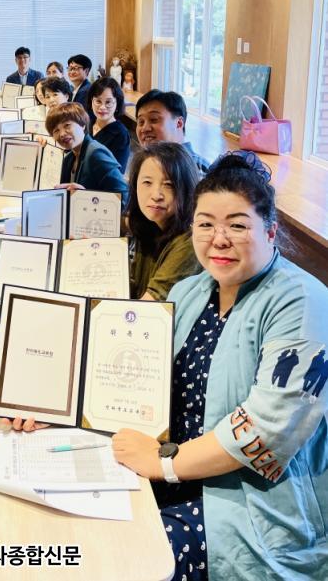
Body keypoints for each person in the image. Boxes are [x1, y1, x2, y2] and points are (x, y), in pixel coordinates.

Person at [113, 151, 328, 580]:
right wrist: (54, 405)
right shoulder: (191, 290)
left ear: (270, 230)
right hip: (170, 472)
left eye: (238, 225)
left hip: (250, 503)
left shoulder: (303, 302)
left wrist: (164, 463)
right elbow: (130, 368)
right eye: (206, 224)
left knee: (129, 561)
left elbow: (267, 429)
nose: (219, 239)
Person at [126, 143, 200, 300]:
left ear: (186, 190)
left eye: (168, 185)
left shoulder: (190, 242)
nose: (156, 195)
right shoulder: (150, 225)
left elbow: (148, 306)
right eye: (147, 182)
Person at [46, 102, 128, 202]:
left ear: (82, 125)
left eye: (67, 125)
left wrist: (86, 197)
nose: (62, 134)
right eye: (56, 130)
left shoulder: (96, 153)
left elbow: (123, 196)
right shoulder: (69, 158)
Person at [136, 89, 210, 174]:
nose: (145, 128)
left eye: (154, 119)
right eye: (141, 122)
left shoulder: (197, 169)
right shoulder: (146, 164)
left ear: (179, 123)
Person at [87, 77, 131, 171]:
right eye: (98, 101)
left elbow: (118, 172)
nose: (102, 107)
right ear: (91, 101)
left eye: (108, 102)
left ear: (117, 104)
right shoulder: (89, 122)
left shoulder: (121, 134)